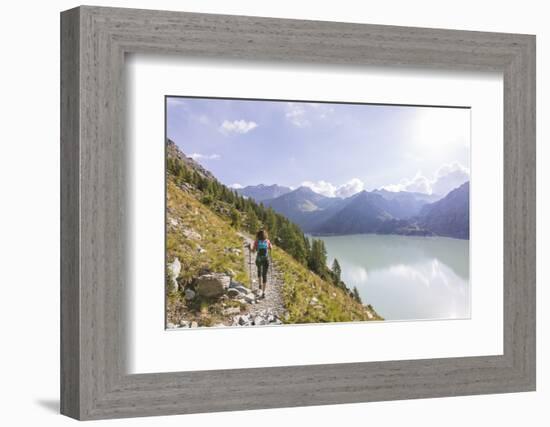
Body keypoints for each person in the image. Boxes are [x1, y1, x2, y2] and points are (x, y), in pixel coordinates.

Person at [251, 229, 272, 299]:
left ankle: (259, 285)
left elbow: (253, 251)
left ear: (258, 235)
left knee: (259, 271)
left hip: (258, 259)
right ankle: (263, 292)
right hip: (265, 260)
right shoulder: (267, 241)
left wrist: (249, 248)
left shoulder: (256, 242)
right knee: (264, 274)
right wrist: (270, 247)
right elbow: (270, 247)